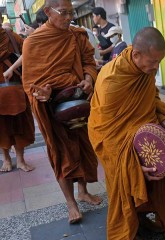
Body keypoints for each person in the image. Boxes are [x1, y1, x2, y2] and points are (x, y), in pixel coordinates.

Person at [88, 27, 165, 240]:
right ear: (136, 55)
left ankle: (147, 223)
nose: (156, 67)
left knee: (159, 181)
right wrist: (132, 163)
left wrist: (162, 120)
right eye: (153, 62)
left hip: (144, 135)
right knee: (125, 184)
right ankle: (130, 230)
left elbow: (151, 97)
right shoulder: (111, 81)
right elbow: (109, 133)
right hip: (114, 142)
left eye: (159, 62)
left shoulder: (145, 71)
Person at [21, 0, 102, 224]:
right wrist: (42, 92)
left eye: (71, 13)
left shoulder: (77, 35)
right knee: (62, 153)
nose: (69, 18)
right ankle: (70, 203)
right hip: (51, 107)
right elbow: (30, 83)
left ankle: (83, 191)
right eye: (64, 13)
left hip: (79, 99)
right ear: (48, 12)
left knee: (84, 147)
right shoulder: (33, 42)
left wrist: (87, 78)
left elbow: (88, 62)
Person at [0, 18, 35, 172]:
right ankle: (6, 159)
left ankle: (20, 159)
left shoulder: (10, 35)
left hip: (15, 88)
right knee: (1, 127)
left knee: (20, 124)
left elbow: (28, 52)